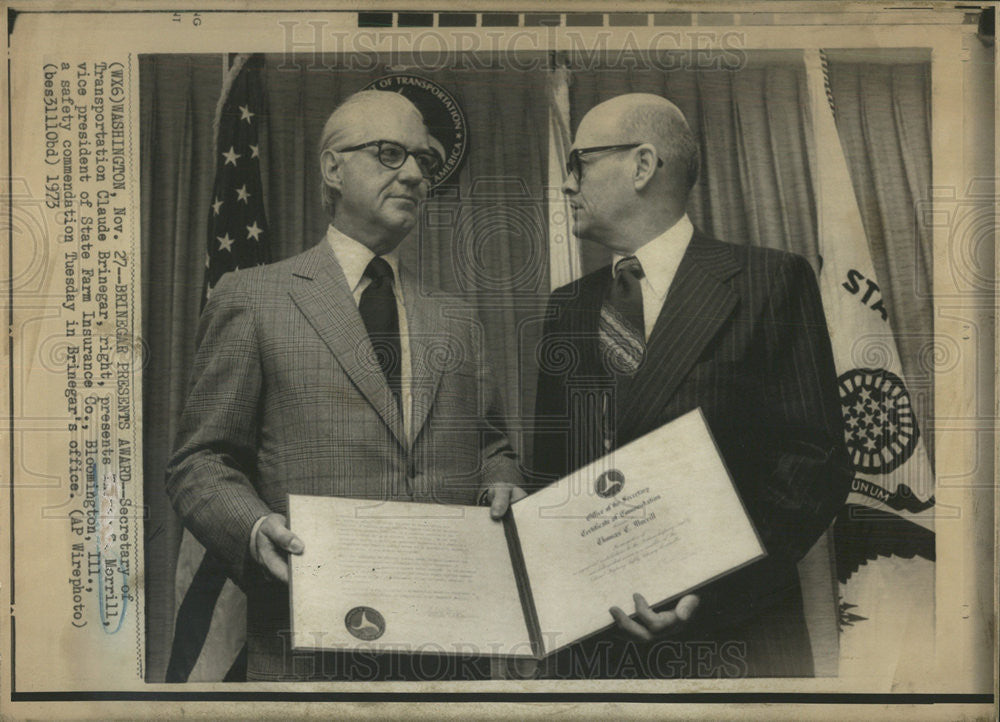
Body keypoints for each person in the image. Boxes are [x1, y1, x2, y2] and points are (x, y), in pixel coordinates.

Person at [166, 90, 526, 682]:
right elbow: (199, 461)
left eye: (424, 162)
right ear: (334, 167)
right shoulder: (253, 298)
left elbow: (491, 447)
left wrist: (503, 483)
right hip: (308, 657)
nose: (413, 174)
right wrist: (255, 528)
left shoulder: (456, 317)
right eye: (390, 154)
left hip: (452, 656)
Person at [531, 93, 852, 678]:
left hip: (733, 641)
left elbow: (816, 461)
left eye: (577, 164)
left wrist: (709, 598)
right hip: (593, 648)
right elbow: (551, 477)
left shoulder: (769, 281)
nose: (565, 184)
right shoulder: (567, 308)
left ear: (642, 166)